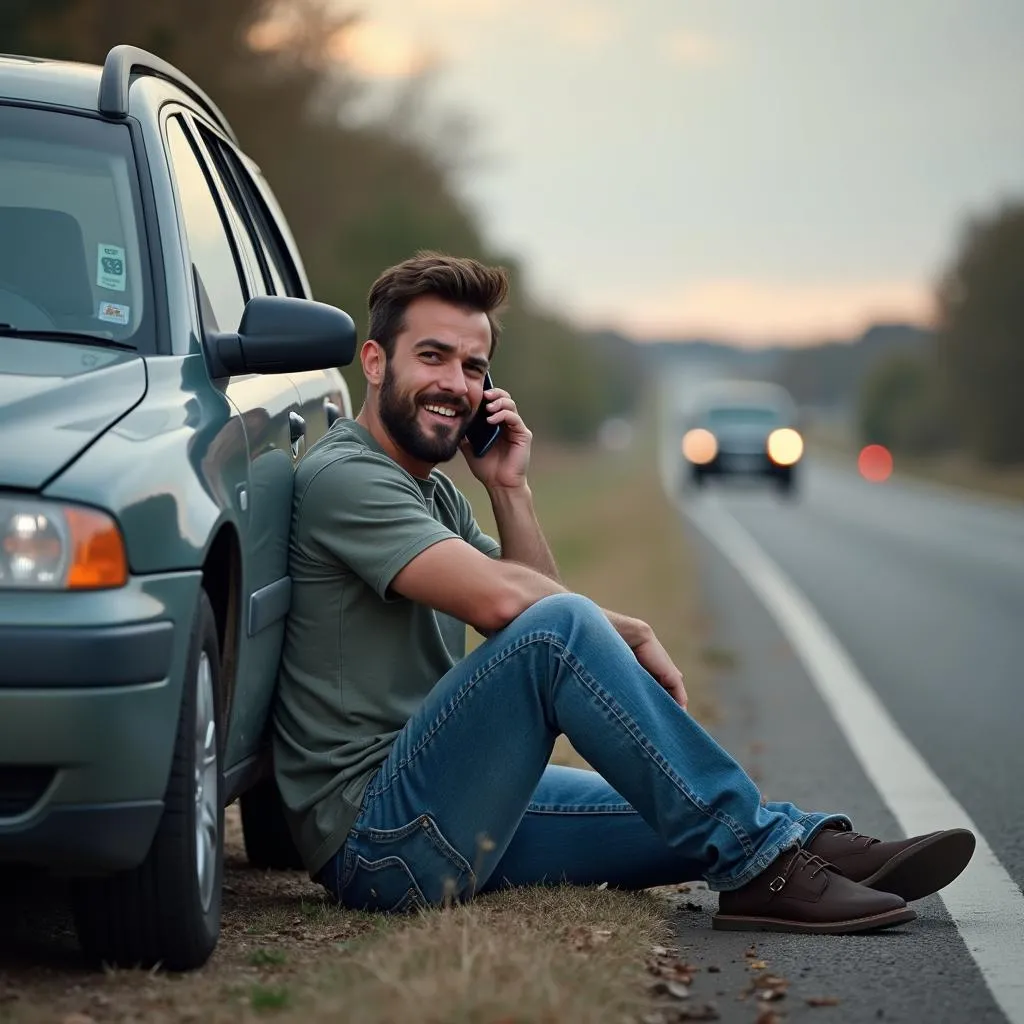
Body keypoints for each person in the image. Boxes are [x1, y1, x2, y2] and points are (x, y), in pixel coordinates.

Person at [271, 252, 975, 933]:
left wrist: (509, 489)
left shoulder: (433, 496)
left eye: (473, 366)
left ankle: (801, 846)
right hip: (381, 841)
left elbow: (529, 604)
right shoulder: (346, 478)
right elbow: (522, 616)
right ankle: (766, 873)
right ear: (373, 361)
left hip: (445, 800)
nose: (456, 382)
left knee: (678, 805)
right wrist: (623, 630)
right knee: (564, 630)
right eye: (433, 356)